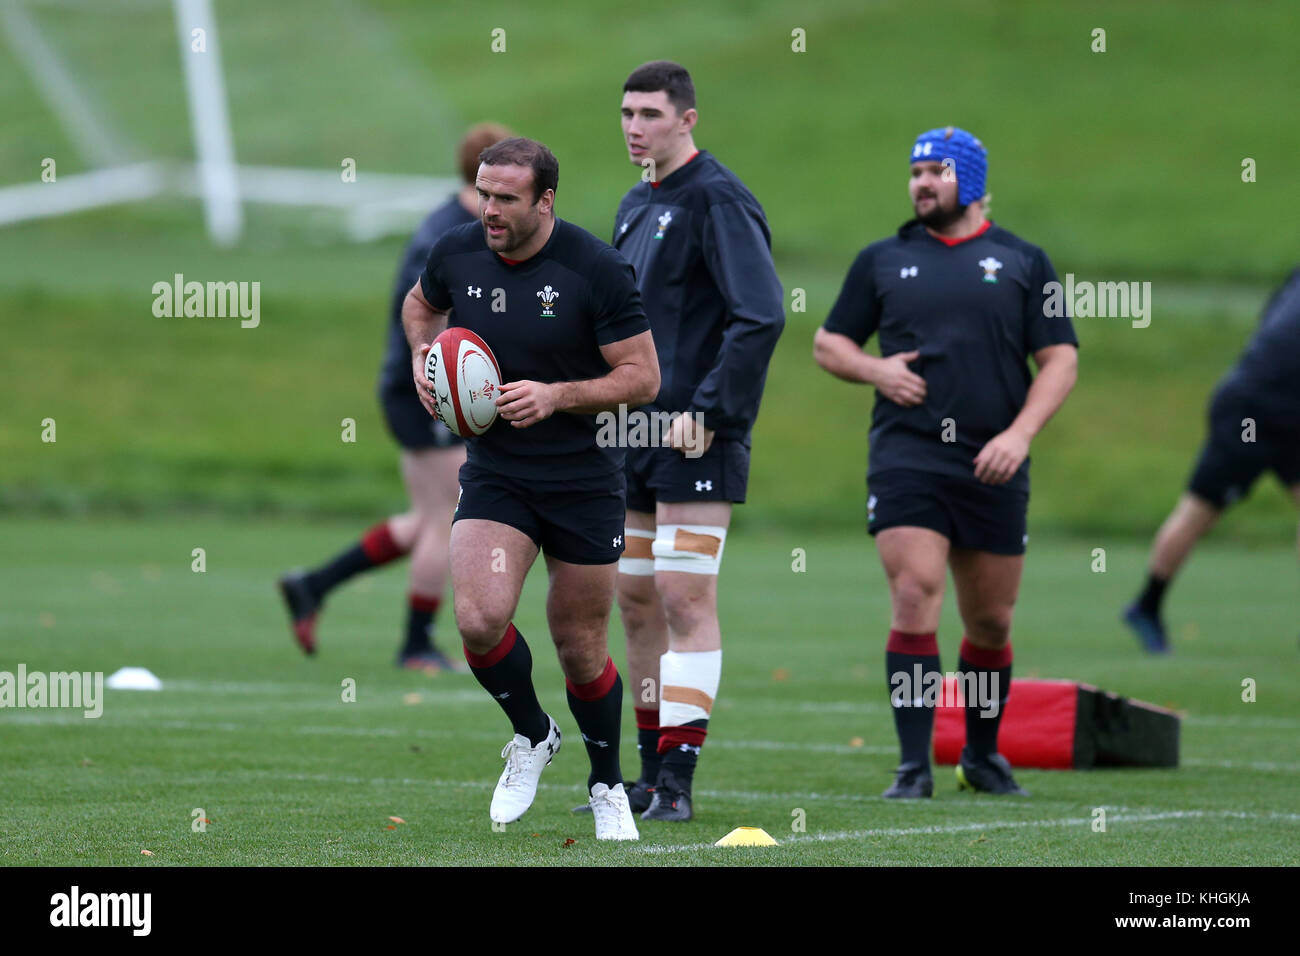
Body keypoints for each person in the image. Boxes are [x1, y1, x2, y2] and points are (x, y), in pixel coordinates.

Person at [403, 137, 660, 839]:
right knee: (480, 620)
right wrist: (426, 359)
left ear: (545, 200)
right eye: (484, 193)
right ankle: (532, 734)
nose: (489, 209)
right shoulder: (456, 251)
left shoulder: (595, 268)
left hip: (585, 478)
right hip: (497, 473)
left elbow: (642, 377)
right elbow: (420, 308)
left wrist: (557, 395)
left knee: (580, 644)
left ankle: (608, 783)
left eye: (506, 198)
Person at [813, 127, 1078, 799]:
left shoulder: (1023, 261)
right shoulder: (882, 259)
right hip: (909, 454)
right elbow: (828, 343)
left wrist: (1019, 435)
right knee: (914, 595)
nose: (921, 183)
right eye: (915, 172)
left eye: (935, 171)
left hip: (994, 457)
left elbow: (1061, 359)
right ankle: (912, 765)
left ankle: (983, 757)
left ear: (972, 180)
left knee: (990, 621)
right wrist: (876, 370)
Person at [609, 61, 785, 822]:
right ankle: (645, 778)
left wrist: (710, 410)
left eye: (650, 113)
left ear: (688, 119)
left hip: (695, 437)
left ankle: (678, 781)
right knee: (636, 598)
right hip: (632, 434)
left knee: (684, 594)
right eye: (625, 113)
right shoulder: (633, 203)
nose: (634, 126)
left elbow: (761, 314)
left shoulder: (717, 197)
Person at [278, 123, 511, 673]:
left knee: (427, 516)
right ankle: (415, 645)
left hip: (432, 389)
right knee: (449, 520)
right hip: (425, 391)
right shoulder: (446, 234)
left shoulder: (469, 225)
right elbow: (421, 319)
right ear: (483, 177)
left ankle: (312, 585)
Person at [1124, 267, 1300, 653]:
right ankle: (1147, 604)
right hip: (1252, 410)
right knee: (1200, 510)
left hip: (1287, 412)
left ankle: (1146, 605)